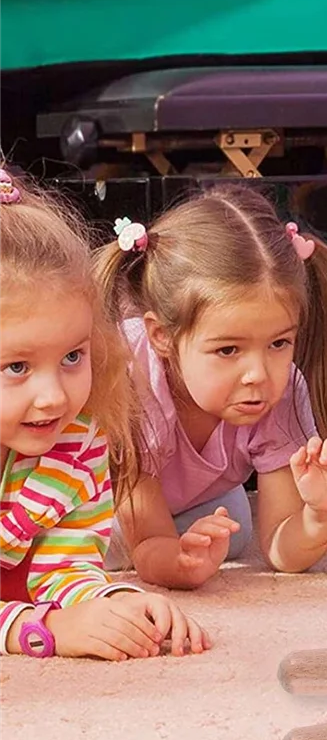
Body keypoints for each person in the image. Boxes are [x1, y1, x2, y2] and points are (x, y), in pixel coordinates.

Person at [95, 185, 327, 589]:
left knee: (233, 525)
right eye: (228, 349)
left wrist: (321, 514)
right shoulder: (131, 380)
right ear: (162, 336)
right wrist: (178, 563)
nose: (258, 374)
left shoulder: (280, 391)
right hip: (99, 502)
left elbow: (282, 551)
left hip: (192, 500)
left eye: (279, 343)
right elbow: (147, 542)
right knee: (98, 543)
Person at [0, 168, 207, 657]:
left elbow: (65, 564)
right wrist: (42, 631)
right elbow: (47, 622)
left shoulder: (76, 442)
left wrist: (116, 601)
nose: (52, 396)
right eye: (16, 366)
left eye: (73, 356)